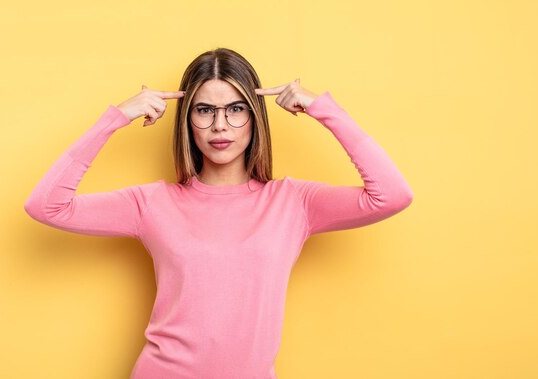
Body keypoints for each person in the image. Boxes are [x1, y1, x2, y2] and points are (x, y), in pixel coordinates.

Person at [24, 47, 413, 379]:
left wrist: (323, 109)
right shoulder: (152, 204)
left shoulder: (294, 202)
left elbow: (391, 195)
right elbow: (46, 206)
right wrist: (114, 119)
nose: (220, 126)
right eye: (205, 110)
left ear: (255, 116)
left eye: (236, 109)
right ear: (187, 120)